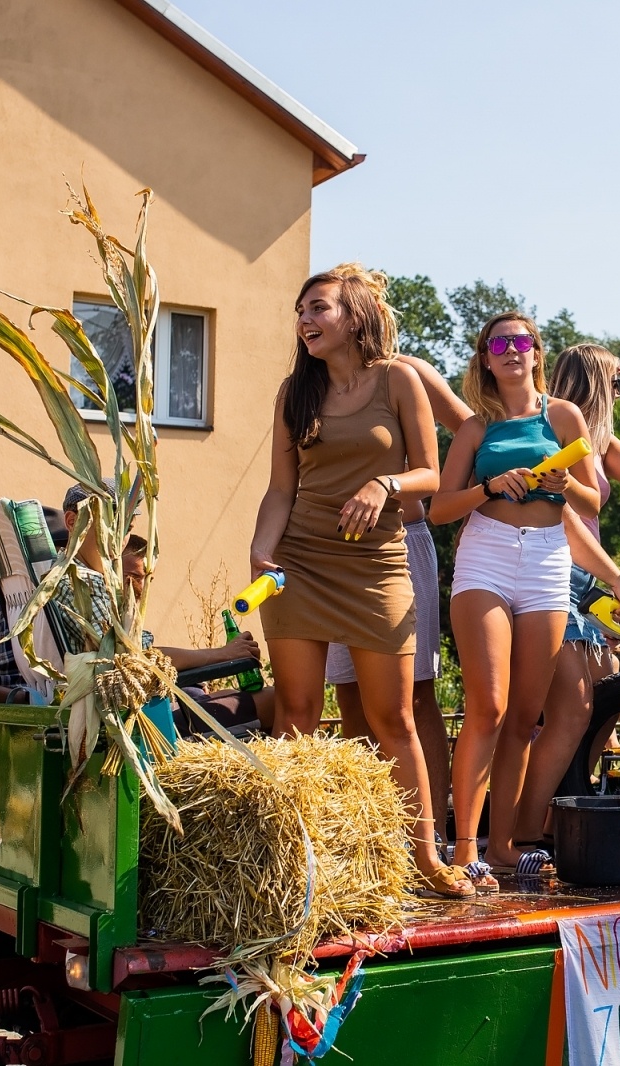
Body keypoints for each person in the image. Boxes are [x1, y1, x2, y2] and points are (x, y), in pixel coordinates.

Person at [247, 263, 472, 900]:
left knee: (392, 716)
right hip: (302, 561)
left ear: (356, 317)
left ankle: (425, 858)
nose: (305, 320)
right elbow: (279, 490)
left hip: (376, 565)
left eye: (319, 307)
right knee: (297, 713)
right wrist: (261, 554)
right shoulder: (295, 394)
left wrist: (386, 482)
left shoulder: (397, 380)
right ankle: (294, 860)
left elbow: (431, 474)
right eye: (301, 311)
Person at [430, 312, 620, 884]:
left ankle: (502, 846)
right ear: (484, 358)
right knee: (490, 707)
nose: (510, 350)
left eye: (521, 341)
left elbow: (590, 505)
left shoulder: (564, 417)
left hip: (549, 559)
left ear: (536, 353)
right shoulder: (476, 429)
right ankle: (464, 850)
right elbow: (439, 509)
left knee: (526, 716)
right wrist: (488, 486)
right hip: (487, 556)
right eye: (498, 344)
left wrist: (561, 484)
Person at [0, 487, 274, 735]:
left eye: (127, 527)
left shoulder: (8, 594)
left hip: (89, 726)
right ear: (73, 523)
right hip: (114, 735)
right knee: (274, 700)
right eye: (111, 524)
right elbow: (143, 660)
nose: (119, 538)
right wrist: (16, 699)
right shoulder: (80, 592)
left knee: (200, 696)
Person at [510, 344, 620, 858]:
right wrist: (615, 579)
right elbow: (563, 513)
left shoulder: (597, 441)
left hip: (586, 579)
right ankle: (524, 831)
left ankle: (560, 814)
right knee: (568, 711)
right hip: (557, 572)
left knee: (602, 698)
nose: (619, 391)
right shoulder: (553, 426)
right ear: (596, 382)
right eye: (615, 383)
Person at [325, 354, 469, 848]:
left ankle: (434, 838)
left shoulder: (408, 372)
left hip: (400, 540)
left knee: (416, 694)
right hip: (333, 548)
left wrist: (464, 496)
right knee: (349, 696)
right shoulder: (319, 379)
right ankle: (373, 840)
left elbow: (471, 428)